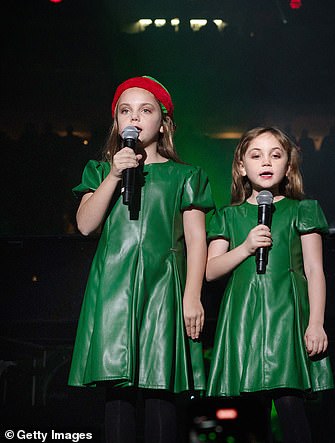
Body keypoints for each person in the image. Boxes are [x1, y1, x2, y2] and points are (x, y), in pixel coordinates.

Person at [68, 76, 214, 442]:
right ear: (116, 122)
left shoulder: (186, 176)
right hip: (113, 290)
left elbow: (197, 240)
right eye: (125, 111)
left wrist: (192, 295)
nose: (134, 118)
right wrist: (116, 174)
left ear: (163, 123)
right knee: (117, 390)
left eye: (145, 110)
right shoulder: (101, 171)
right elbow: (85, 225)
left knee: (159, 386)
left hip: (162, 287)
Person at [205, 126, 334, 443]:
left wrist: (315, 323)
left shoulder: (301, 210)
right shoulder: (228, 216)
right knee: (250, 414)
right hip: (243, 317)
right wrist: (246, 248)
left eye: (276, 155)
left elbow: (315, 270)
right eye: (256, 155)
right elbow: (210, 270)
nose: (266, 162)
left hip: (286, 315)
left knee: (290, 405)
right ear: (241, 166)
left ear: (288, 166)